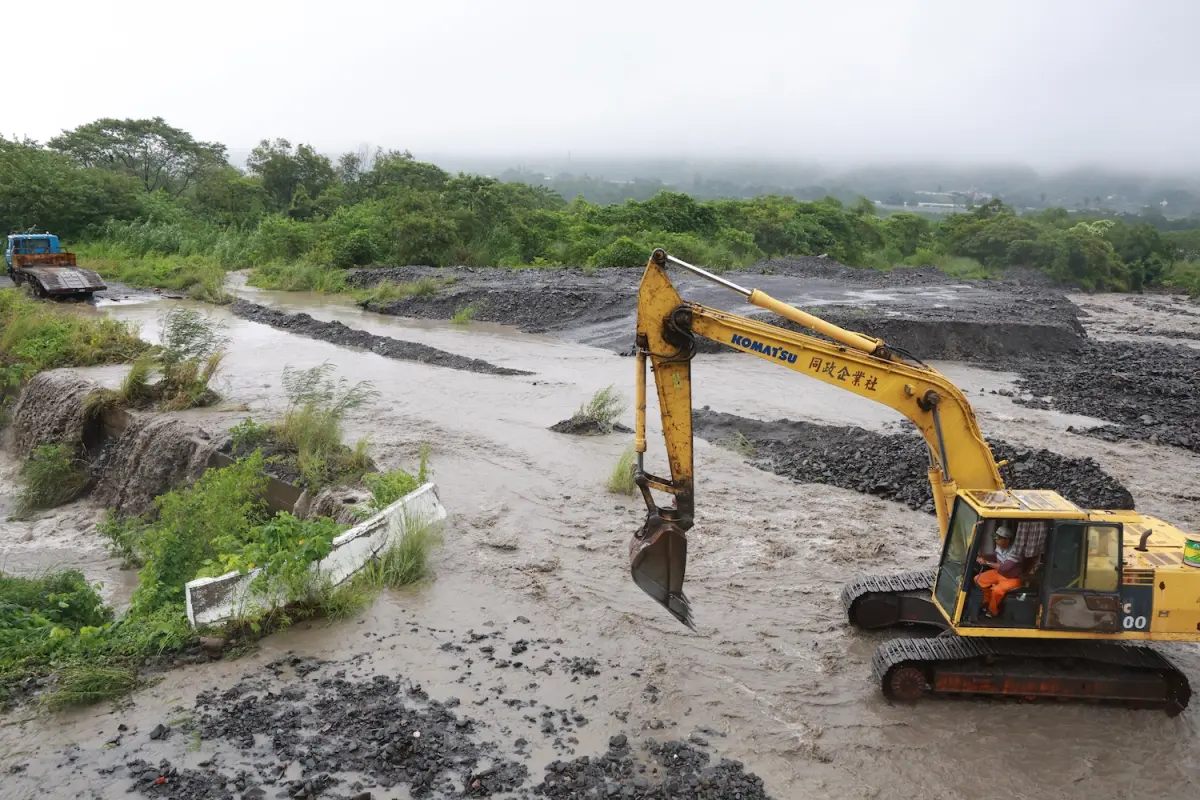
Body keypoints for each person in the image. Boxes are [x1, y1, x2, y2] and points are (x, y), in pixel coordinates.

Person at [974, 525, 1023, 618]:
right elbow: (995, 557)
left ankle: (993, 611)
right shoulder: (999, 547)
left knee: (996, 590)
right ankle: (987, 601)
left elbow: (1004, 567)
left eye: (998, 538)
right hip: (999, 573)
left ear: (1007, 540)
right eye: (995, 537)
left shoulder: (1015, 551)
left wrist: (986, 562)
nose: (996, 540)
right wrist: (983, 556)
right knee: (978, 579)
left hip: (1012, 578)